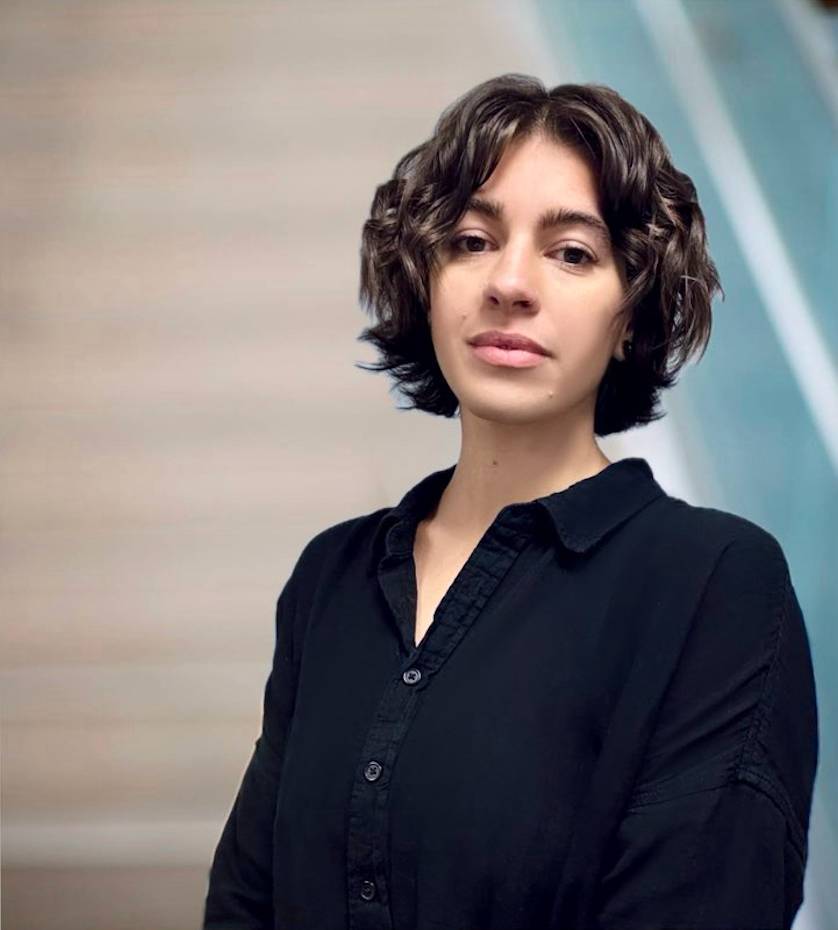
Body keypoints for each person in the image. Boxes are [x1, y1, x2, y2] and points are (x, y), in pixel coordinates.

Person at [202, 74, 818, 930]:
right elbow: (245, 903)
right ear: (426, 277)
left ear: (632, 309)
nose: (510, 283)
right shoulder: (330, 580)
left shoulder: (715, 583)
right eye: (470, 240)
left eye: (572, 252)